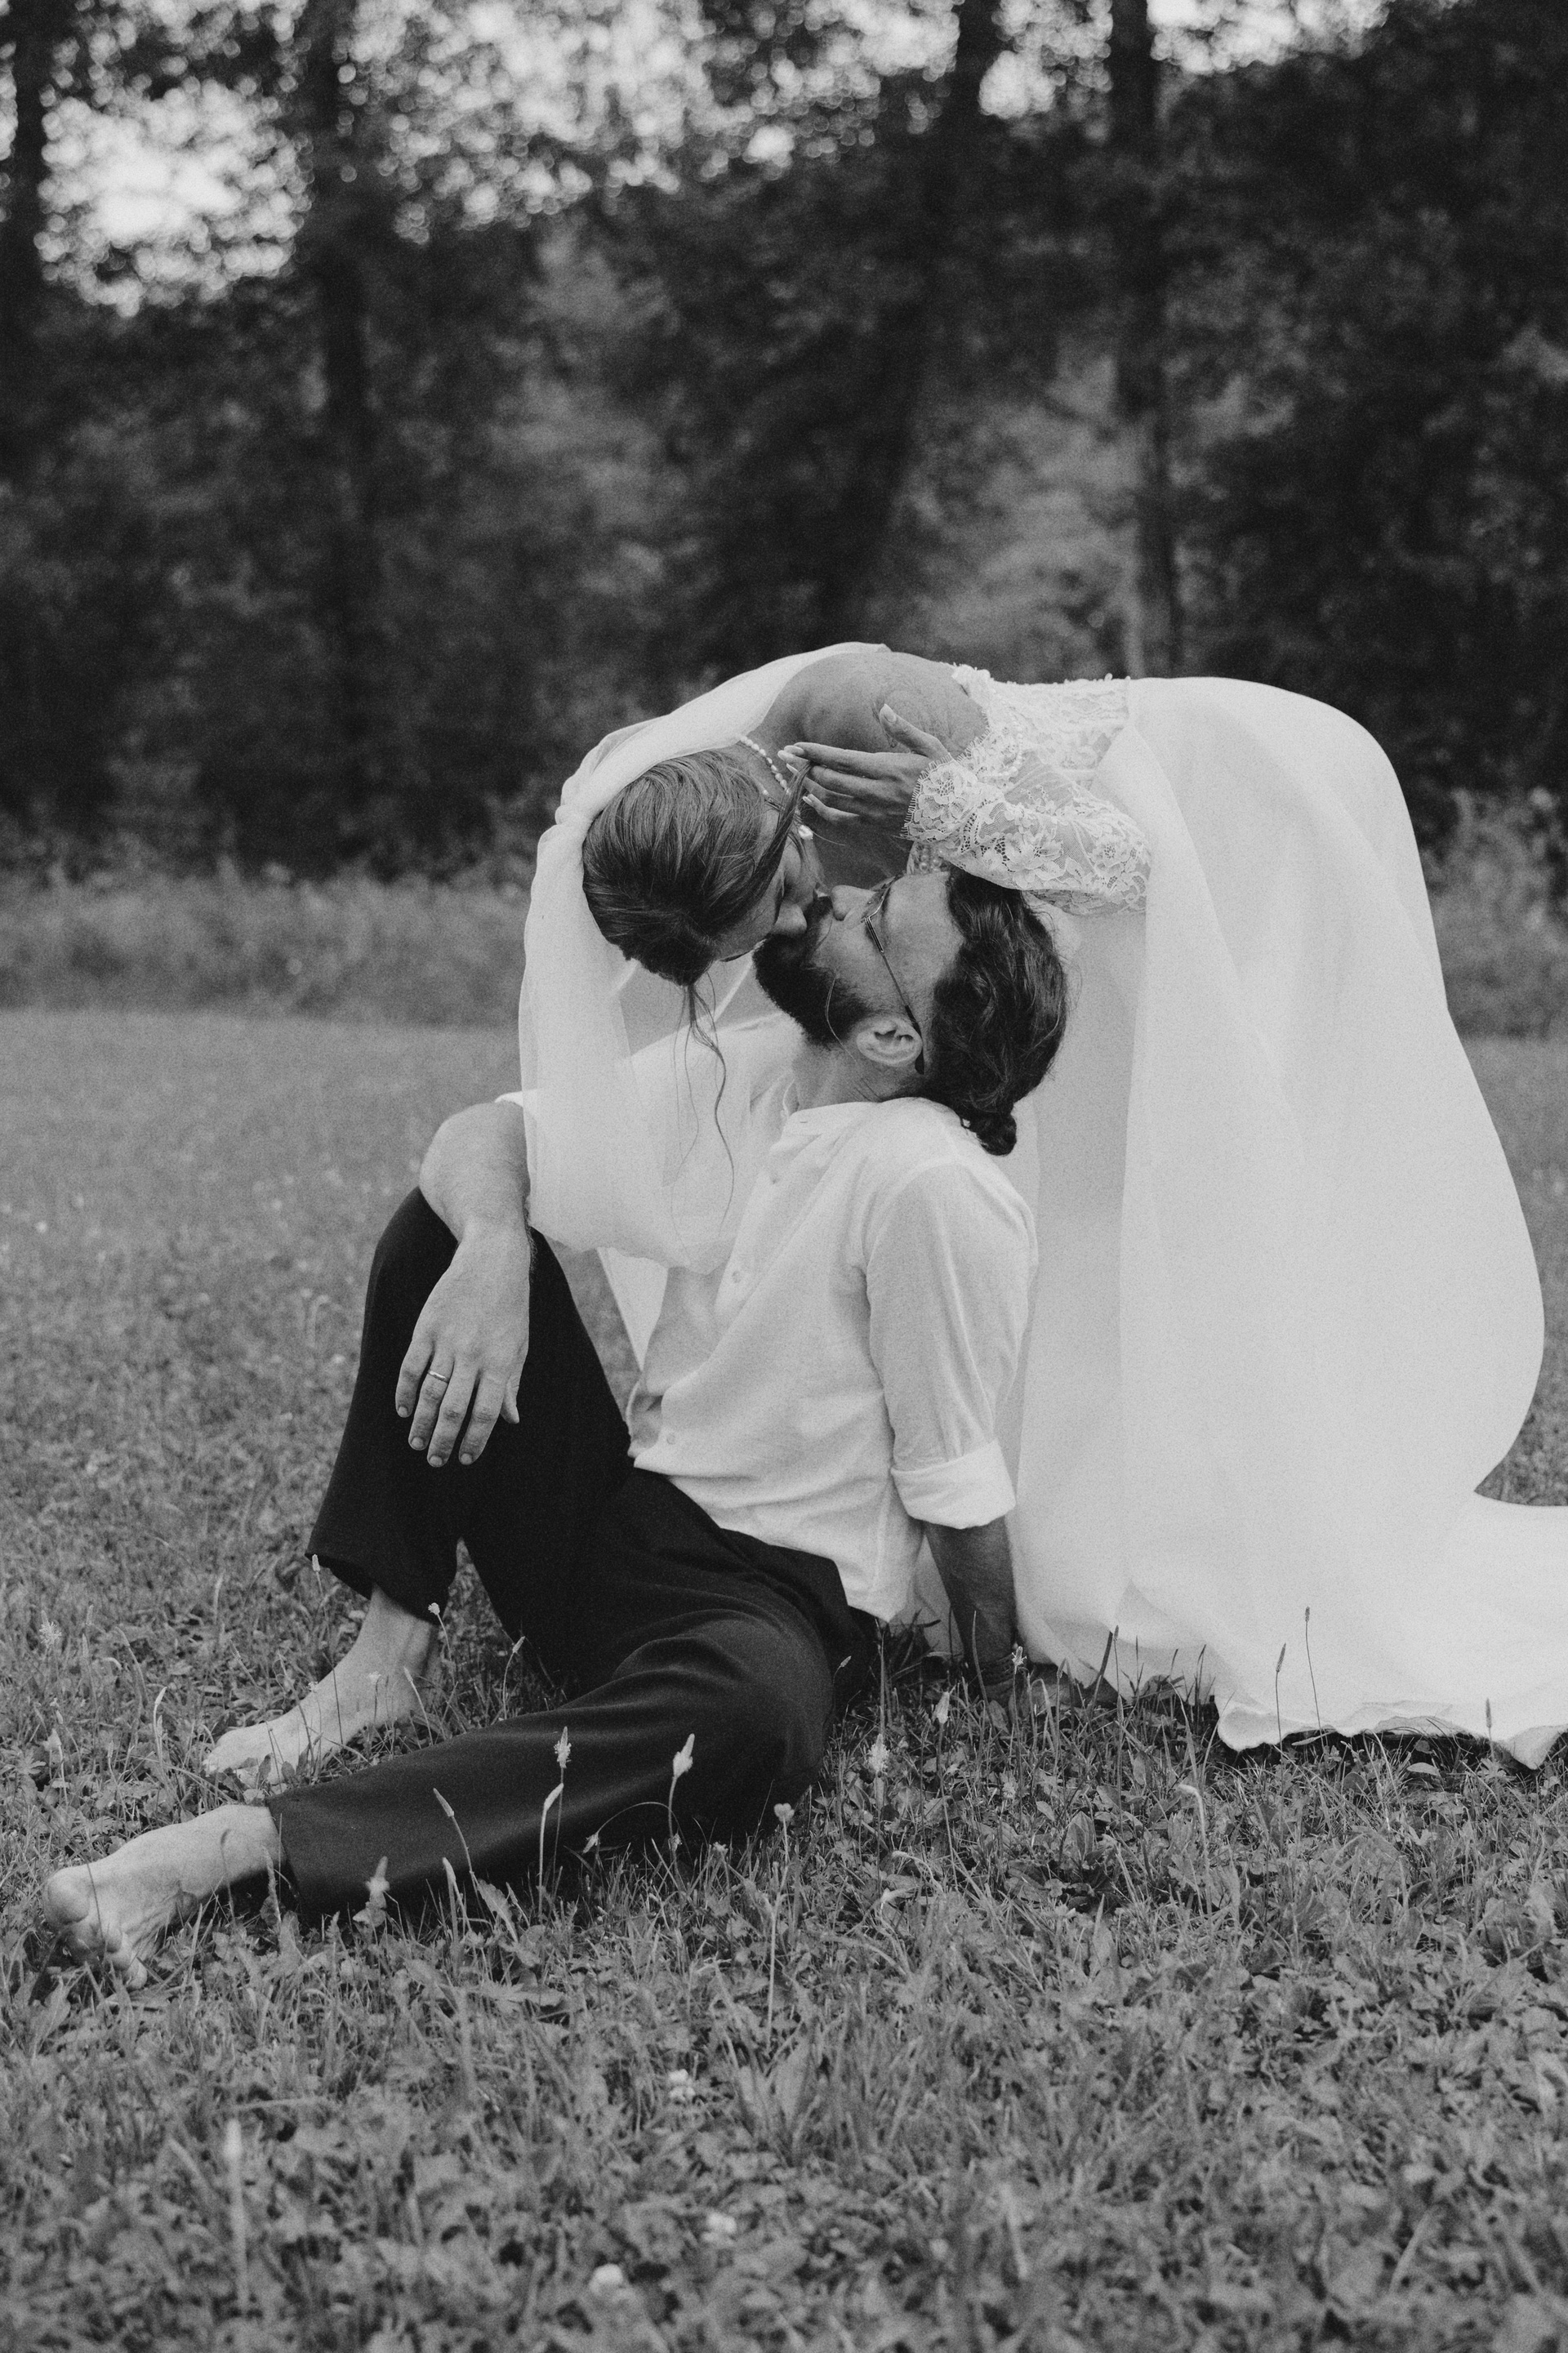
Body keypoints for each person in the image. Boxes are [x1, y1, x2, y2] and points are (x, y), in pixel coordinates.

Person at [521, 643, 1568, 1765]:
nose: (797, 926)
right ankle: (1038, 1503)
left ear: (772, 825)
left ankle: (1180, 1511)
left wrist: (957, 814)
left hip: (1229, 810)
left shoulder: (860, 714)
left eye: (779, 903)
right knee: (1062, 1219)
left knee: (1187, 1191)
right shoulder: (732, 825)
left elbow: (1132, 865)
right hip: (1046, 930)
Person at [42, 864, 1067, 1987]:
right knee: (444, 1233)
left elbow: (955, 1479)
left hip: (762, 1607)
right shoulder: (748, 1067)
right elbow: (484, 1135)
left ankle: (244, 1848)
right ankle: (387, 1657)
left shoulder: (932, 1185)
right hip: (618, 1526)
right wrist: (496, 1248)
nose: (837, 899)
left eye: (875, 922)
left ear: (890, 1034)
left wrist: (996, 1677)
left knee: (759, 1717)